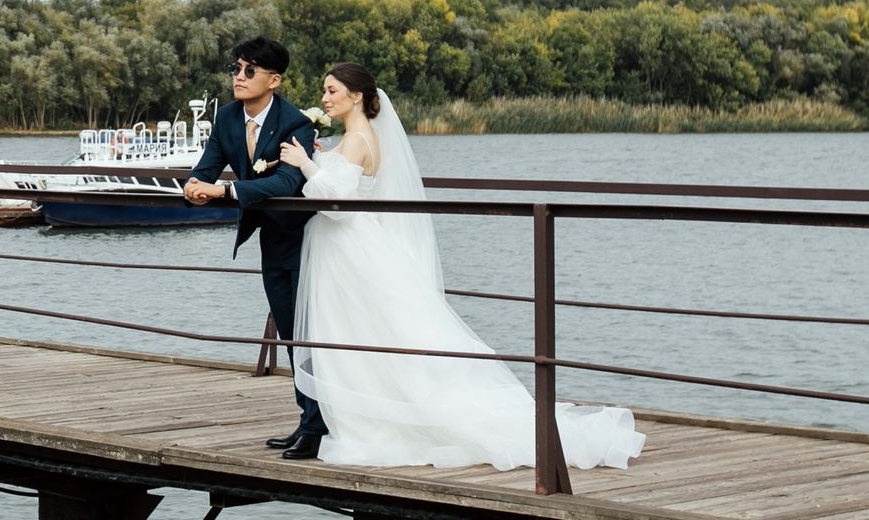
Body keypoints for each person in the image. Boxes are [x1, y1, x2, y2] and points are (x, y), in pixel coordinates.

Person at [275, 63, 646, 471]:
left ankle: (380, 422)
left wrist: (305, 165)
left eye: (331, 91)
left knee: (362, 333)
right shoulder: (358, 138)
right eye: (325, 92)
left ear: (356, 95)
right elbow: (347, 182)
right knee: (363, 333)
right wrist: (322, 161)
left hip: (348, 246)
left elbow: (337, 206)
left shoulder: (359, 138)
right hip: (352, 248)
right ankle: (361, 415)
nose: (325, 98)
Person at [181, 37, 329, 459]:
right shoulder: (226, 118)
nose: (239, 77)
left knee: (310, 333)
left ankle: (317, 429)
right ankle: (308, 421)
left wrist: (223, 190)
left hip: (306, 238)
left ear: (274, 79)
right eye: (236, 68)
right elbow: (206, 166)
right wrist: (192, 187)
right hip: (270, 239)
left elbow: (286, 183)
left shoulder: (295, 123)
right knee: (289, 332)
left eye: (249, 70)